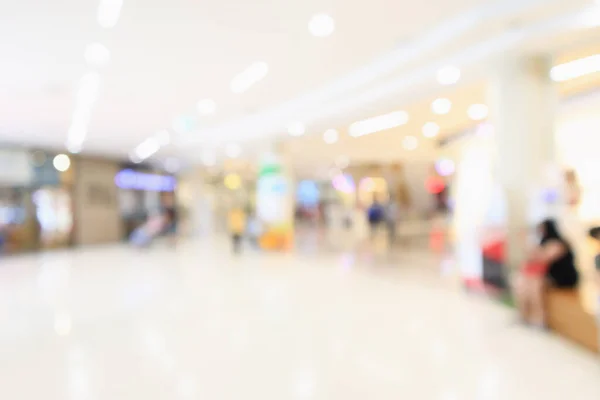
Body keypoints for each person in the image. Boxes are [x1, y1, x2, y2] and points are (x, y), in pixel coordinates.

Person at [516, 219, 579, 328]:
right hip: (548, 276)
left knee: (535, 284)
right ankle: (526, 315)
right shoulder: (543, 242)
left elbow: (542, 258)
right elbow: (532, 258)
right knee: (524, 283)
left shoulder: (558, 243)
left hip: (563, 277)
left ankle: (540, 318)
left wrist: (525, 241)